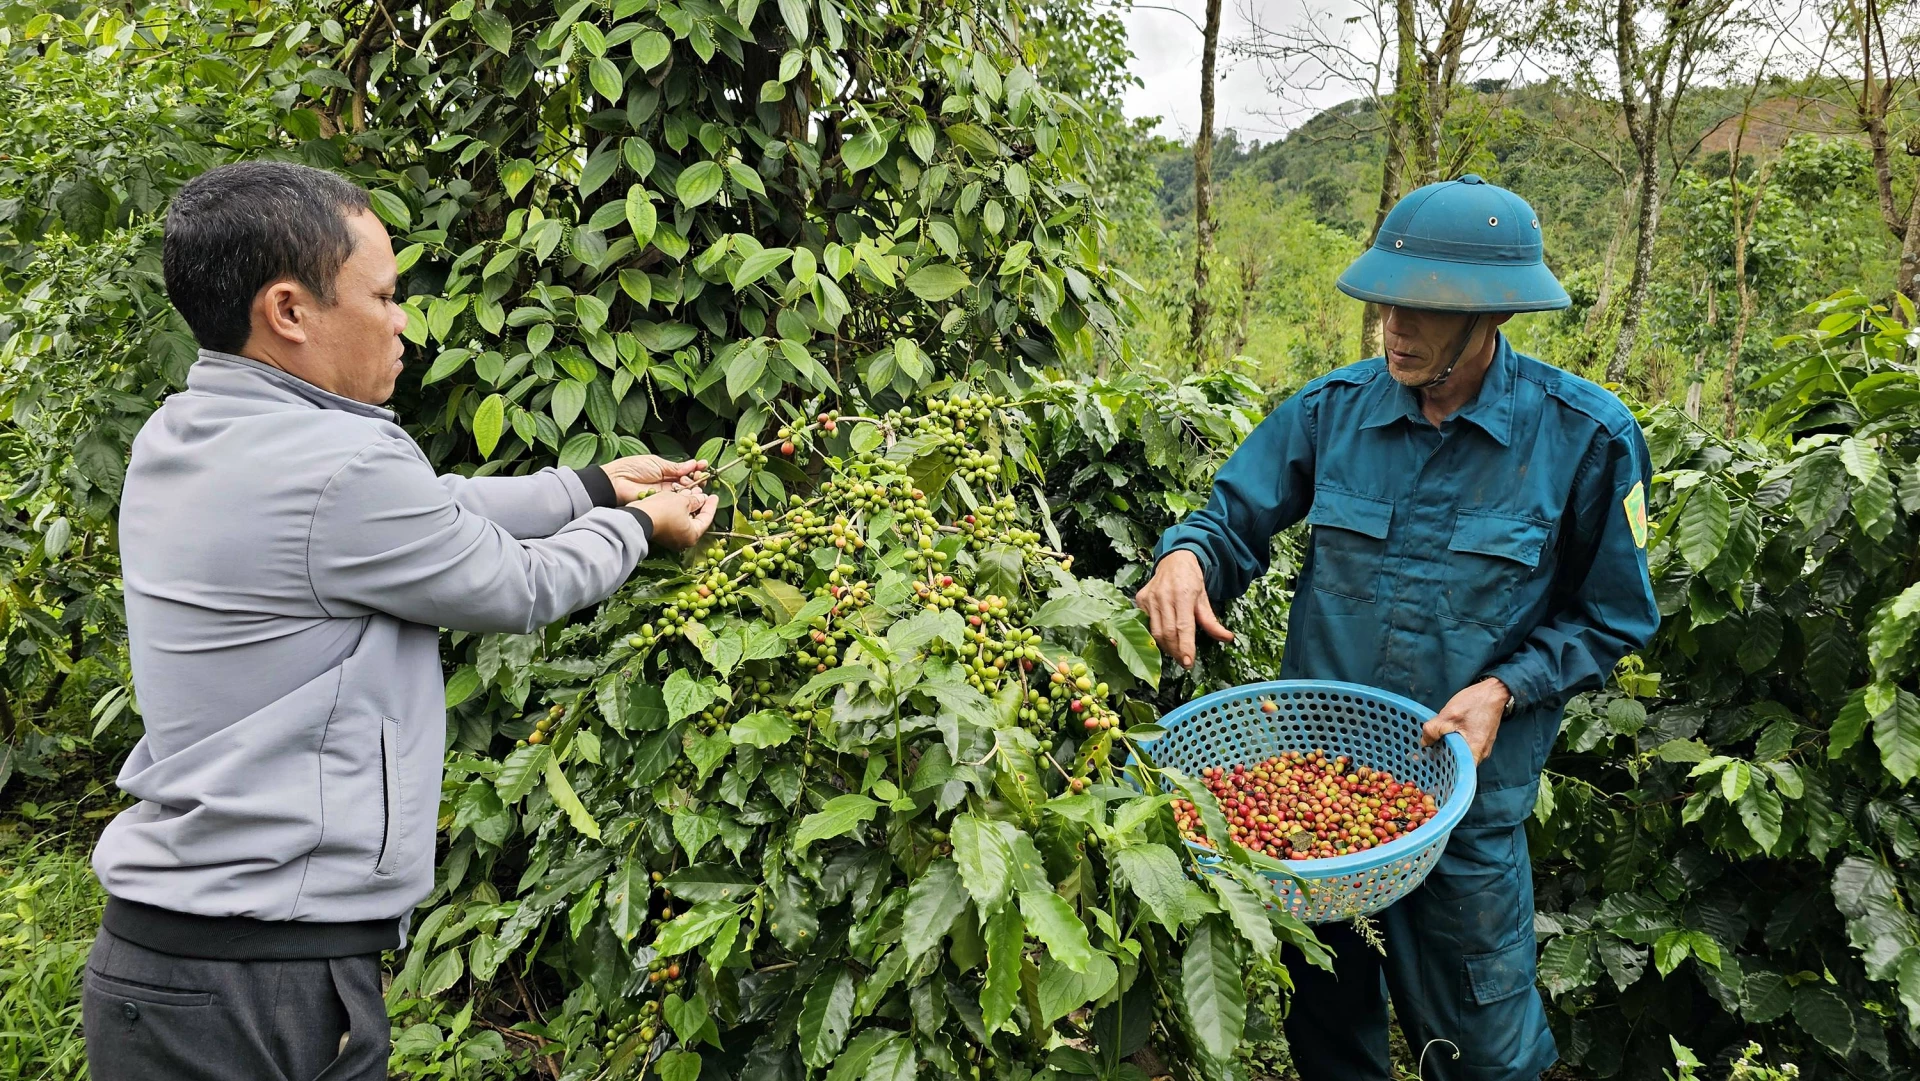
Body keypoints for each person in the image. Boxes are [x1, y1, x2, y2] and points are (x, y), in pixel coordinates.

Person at [82, 160, 718, 1080]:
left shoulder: (188, 431)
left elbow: (426, 509)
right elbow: (518, 586)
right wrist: (635, 526)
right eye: (384, 295)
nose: (403, 321)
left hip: (174, 962)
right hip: (258, 981)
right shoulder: (339, 466)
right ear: (289, 311)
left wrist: (589, 484)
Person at [1135, 175, 1659, 1081]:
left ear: (1491, 315)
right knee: (1329, 1032)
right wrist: (1186, 558)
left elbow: (1614, 614)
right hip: (1320, 797)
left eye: (1422, 310)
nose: (1395, 330)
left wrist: (1507, 686)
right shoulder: (1331, 411)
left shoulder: (1586, 439)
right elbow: (1229, 523)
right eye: (1387, 304)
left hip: (1468, 808)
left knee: (1486, 1049)